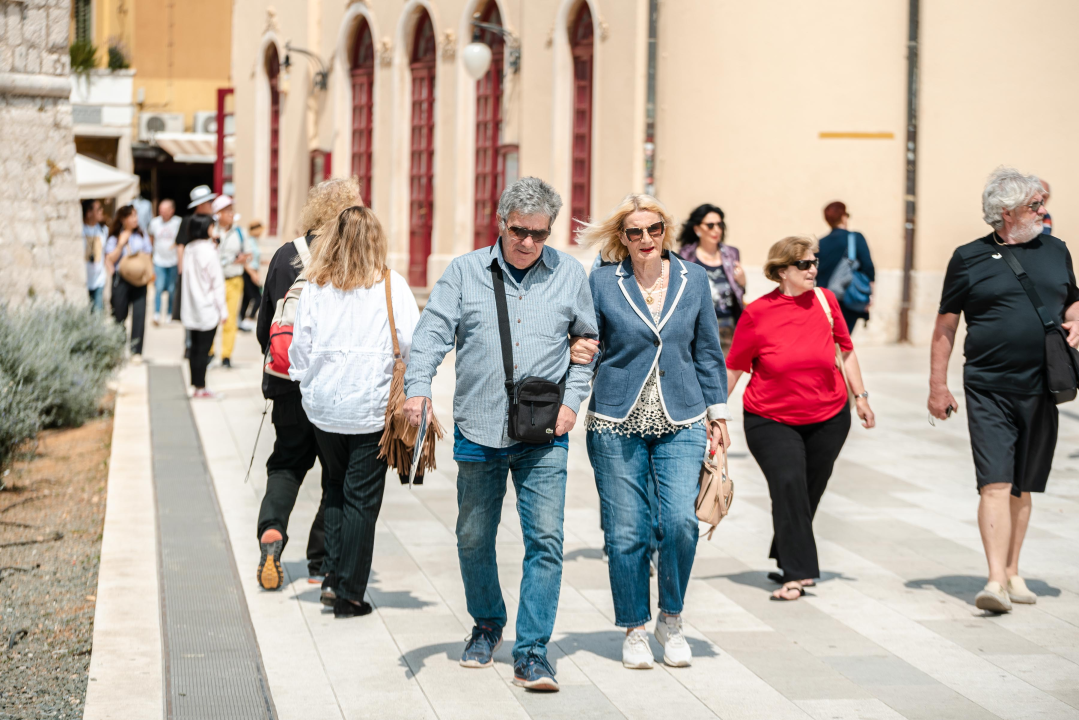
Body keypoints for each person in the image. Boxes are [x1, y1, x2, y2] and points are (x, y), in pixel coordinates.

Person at [402, 177, 597, 692]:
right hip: (478, 427)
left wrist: (572, 404)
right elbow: (431, 334)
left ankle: (532, 652)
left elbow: (587, 345)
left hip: (544, 432)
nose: (529, 242)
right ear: (500, 222)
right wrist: (417, 389)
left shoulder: (569, 275)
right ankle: (487, 624)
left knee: (546, 541)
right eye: (519, 231)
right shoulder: (464, 272)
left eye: (540, 233)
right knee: (472, 537)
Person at [579, 194, 729, 669]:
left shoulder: (693, 278)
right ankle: (635, 629)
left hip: (681, 416)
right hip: (615, 419)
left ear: (666, 230)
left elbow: (708, 350)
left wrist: (719, 414)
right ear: (622, 238)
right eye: (635, 231)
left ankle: (672, 619)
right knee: (627, 530)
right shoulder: (603, 281)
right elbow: (588, 342)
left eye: (654, 229)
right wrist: (573, 368)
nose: (646, 238)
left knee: (680, 523)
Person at [929, 167, 1079, 613]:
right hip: (988, 387)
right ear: (1007, 212)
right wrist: (938, 386)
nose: (1043, 211)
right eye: (1035, 205)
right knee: (995, 481)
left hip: (1043, 385)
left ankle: (1013, 572)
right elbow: (945, 325)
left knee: (1023, 485)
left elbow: (1072, 300)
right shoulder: (968, 258)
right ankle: (995, 581)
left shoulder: (1057, 250)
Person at [726, 236, 875, 602]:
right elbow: (734, 367)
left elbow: (846, 351)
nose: (813, 270)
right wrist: (713, 415)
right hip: (770, 418)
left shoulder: (826, 301)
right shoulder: (757, 313)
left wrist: (861, 397)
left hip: (829, 415)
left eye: (814, 263)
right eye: (804, 264)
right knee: (789, 483)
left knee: (807, 490)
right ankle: (797, 574)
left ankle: (786, 551)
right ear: (782, 271)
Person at [288, 205, 419, 619]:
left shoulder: (316, 286)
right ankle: (349, 593)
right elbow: (412, 341)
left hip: (324, 406)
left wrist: (305, 379)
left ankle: (330, 576)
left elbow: (300, 346)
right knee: (361, 498)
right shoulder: (391, 285)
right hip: (370, 407)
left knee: (334, 485)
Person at [255, 178, 360, 593]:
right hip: (333, 385)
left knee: (286, 462)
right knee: (336, 474)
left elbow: (266, 324)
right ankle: (321, 560)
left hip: (287, 383)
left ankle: (272, 531)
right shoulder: (352, 254)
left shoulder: (286, 254)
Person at [677, 203, 745, 352]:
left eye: (720, 224)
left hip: (729, 327)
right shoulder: (685, 256)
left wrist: (742, 283)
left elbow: (738, 292)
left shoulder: (731, 254)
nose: (716, 229)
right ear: (697, 229)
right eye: (710, 225)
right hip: (698, 327)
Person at [180, 214, 227, 398]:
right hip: (208, 307)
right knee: (204, 350)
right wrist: (223, 310)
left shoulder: (189, 249)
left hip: (191, 307)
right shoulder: (209, 252)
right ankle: (201, 387)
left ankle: (197, 386)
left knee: (194, 348)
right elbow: (217, 283)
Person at [816, 202, 876, 334]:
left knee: (828, 337)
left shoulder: (820, 243)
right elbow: (868, 267)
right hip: (848, 299)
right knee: (844, 338)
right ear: (843, 217)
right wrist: (870, 295)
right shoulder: (855, 238)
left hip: (824, 299)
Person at [105, 205, 153, 360]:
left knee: (139, 315)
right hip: (121, 280)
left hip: (139, 280)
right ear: (123, 219)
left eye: (136, 215)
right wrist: (121, 244)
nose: (135, 219)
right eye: (131, 216)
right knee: (119, 314)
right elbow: (110, 259)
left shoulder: (142, 235)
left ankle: (136, 351)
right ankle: (118, 347)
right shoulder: (114, 237)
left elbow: (148, 254)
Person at [173, 186, 218, 352]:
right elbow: (180, 245)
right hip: (191, 271)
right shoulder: (188, 221)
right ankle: (189, 344)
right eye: (209, 201)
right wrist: (181, 270)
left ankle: (206, 348)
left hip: (208, 270)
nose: (211, 204)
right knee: (190, 306)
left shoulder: (213, 220)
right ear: (200, 204)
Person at [211, 195, 249, 368]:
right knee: (212, 317)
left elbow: (248, 253)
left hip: (234, 280)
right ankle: (209, 352)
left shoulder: (239, 232)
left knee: (230, 319)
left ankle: (226, 355)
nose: (231, 214)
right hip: (214, 282)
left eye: (231, 210)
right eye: (227, 211)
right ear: (218, 214)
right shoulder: (211, 231)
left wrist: (243, 258)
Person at [149, 199, 181, 325]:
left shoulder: (178, 222)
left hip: (173, 262)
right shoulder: (154, 223)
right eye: (160, 210)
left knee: (172, 290)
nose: (162, 212)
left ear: (172, 211)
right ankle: (156, 314)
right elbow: (151, 239)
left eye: (165, 210)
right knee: (158, 288)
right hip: (158, 261)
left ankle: (169, 313)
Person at [82, 199, 108, 313]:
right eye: (98, 209)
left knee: (98, 316)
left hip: (99, 280)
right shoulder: (79, 230)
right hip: (84, 280)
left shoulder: (103, 230)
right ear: (89, 213)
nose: (102, 211)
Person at [239, 220, 264, 331]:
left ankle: (241, 320)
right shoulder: (248, 242)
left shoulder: (254, 241)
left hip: (253, 271)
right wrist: (253, 274)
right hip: (249, 273)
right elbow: (246, 261)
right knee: (258, 298)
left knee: (247, 299)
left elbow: (255, 259)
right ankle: (248, 320)